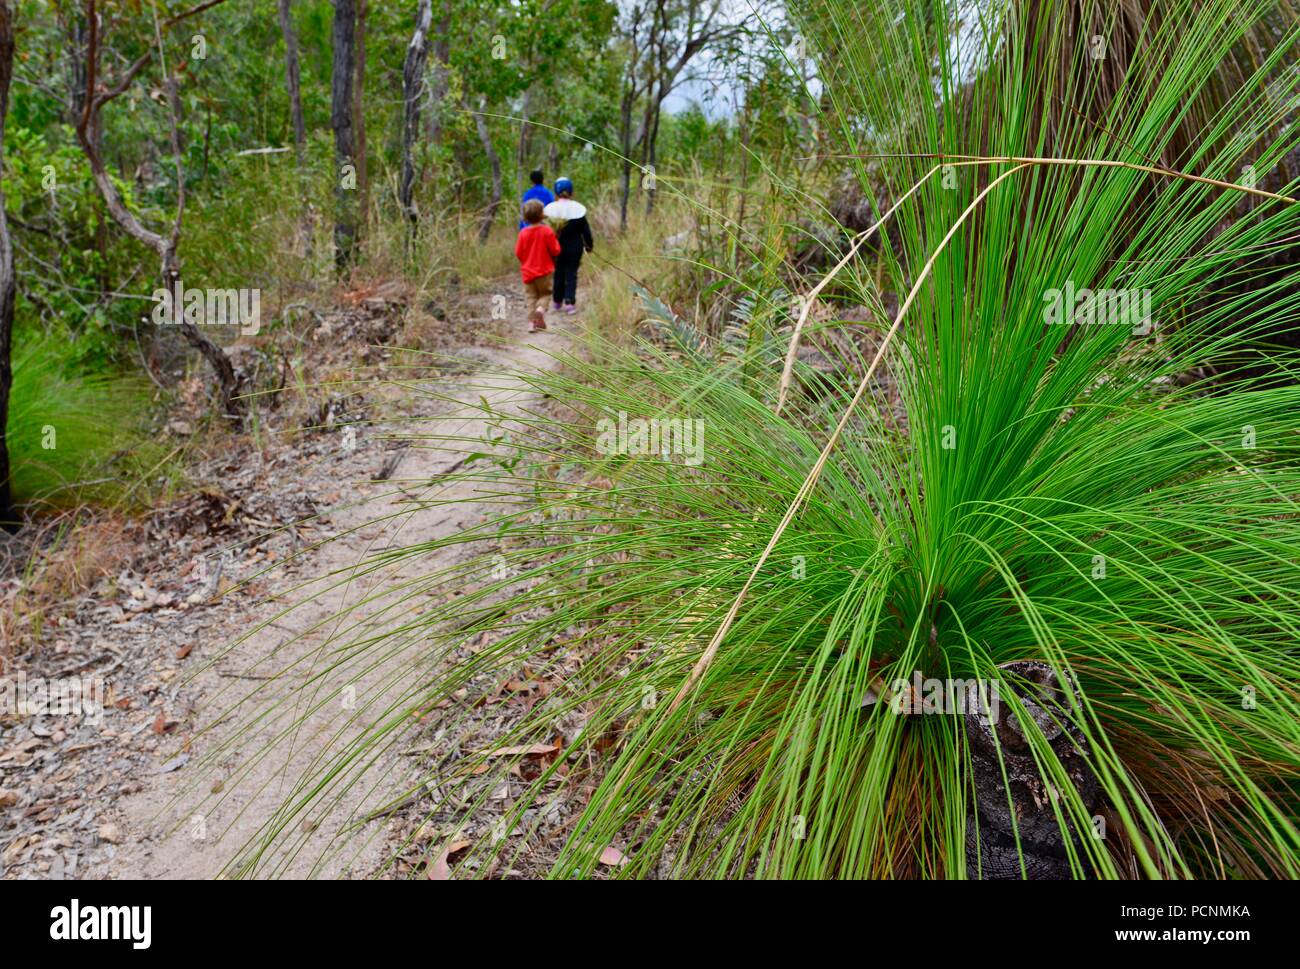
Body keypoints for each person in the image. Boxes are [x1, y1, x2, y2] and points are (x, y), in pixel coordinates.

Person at [543, 177, 593, 313]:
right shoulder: (578, 209)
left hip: (556, 248)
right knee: (571, 273)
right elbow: (585, 231)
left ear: (556, 192)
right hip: (574, 248)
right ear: (571, 191)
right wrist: (589, 246)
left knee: (558, 273)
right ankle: (570, 302)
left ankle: (557, 301)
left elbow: (546, 232)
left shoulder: (550, 210)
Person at [514, 198, 560, 333]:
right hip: (545, 271)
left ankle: (531, 324)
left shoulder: (523, 233)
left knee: (531, 298)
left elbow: (518, 253)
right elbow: (556, 250)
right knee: (545, 294)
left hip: (528, 272)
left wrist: (526, 262)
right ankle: (540, 310)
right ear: (542, 214)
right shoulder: (547, 231)